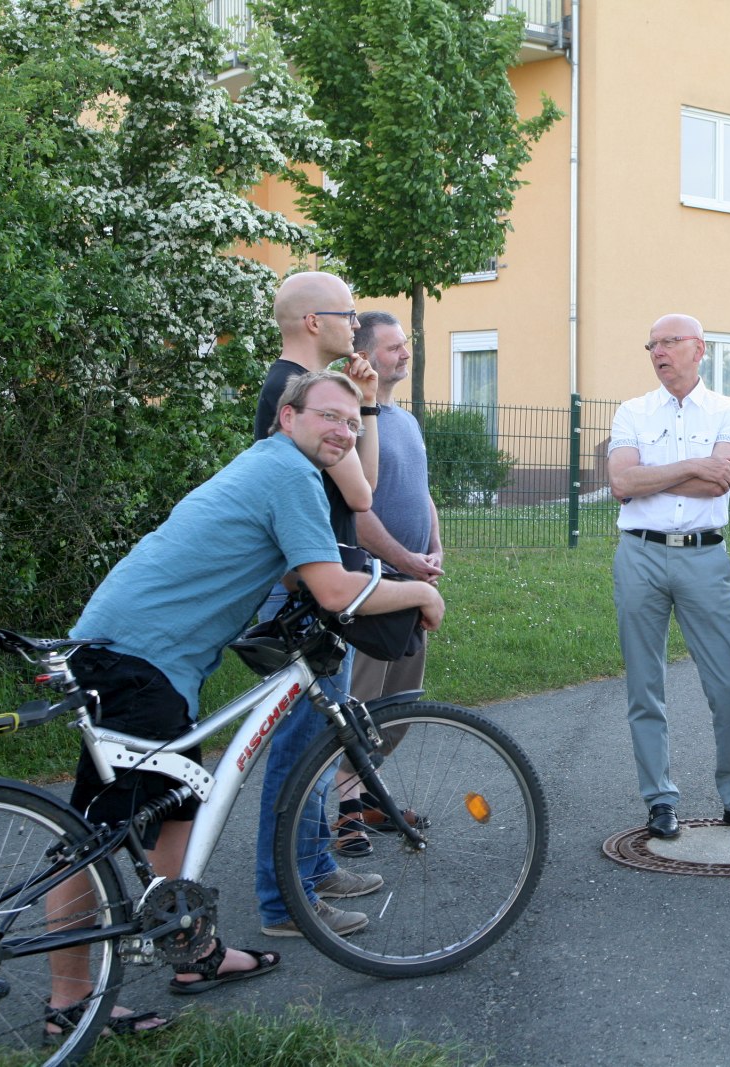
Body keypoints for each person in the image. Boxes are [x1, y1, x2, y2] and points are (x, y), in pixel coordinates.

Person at [48, 371, 444, 1036]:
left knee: (181, 802)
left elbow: (295, 565)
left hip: (145, 655)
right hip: (136, 657)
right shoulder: (288, 472)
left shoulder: (273, 466)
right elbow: (330, 587)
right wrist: (418, 593)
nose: (343, 432)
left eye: (352, 422)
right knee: (93, 838)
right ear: (287, 417)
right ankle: (69, 1004)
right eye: (328, 416)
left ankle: (191, 947)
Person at [252, 272, 384, 940]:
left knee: (316, 738)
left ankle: (312, 868)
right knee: (301, 747)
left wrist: (371, 402)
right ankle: (286, 901)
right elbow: (362, 494)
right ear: (312, 322)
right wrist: (362, 404)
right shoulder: (294, 392)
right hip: (304, 586)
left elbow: (368, 482)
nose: (357, 324)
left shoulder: (309, 391)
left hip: (313, 576)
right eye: (347, 313)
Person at [607, 314, 730, 839]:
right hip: (639, 555)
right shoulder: (632, 411)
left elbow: (720, 484)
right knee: (644, 685)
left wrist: (653, 477)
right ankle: (659, 799)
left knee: (728, 682)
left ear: (700, 348)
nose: (658, 352)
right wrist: (693, 466)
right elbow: (621, 483)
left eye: (669, 342)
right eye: (652, 344)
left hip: (704, 556)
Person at [333, 310, 444, 857]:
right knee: (358, 703)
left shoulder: (405, 420)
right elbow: (358, 511)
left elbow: (420, 493)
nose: (405, 354)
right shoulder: (353, 420)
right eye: (394, 346)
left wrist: (435, 548)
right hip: (371, 583)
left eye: (407, 345)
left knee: (400, 703)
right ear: (364, 356)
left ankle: (368, 795)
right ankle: (346, 812)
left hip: (411, 580)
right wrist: (405, 558)